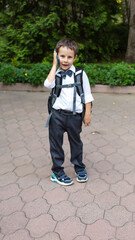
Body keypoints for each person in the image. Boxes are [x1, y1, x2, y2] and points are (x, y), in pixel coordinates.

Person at [44, 38, 94, 186]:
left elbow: (88, 95)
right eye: (62, 56)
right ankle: (57, 172)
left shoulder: (80, 74)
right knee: (56, 145)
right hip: (57, 116)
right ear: (57, 56)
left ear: (75, 58)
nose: (65, 60)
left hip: (74, 116)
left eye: (69, 57)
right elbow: (47, 84)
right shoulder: (56, 74)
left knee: (76, 143)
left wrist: (87, 114)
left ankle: (79, 167)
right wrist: (54, 65)